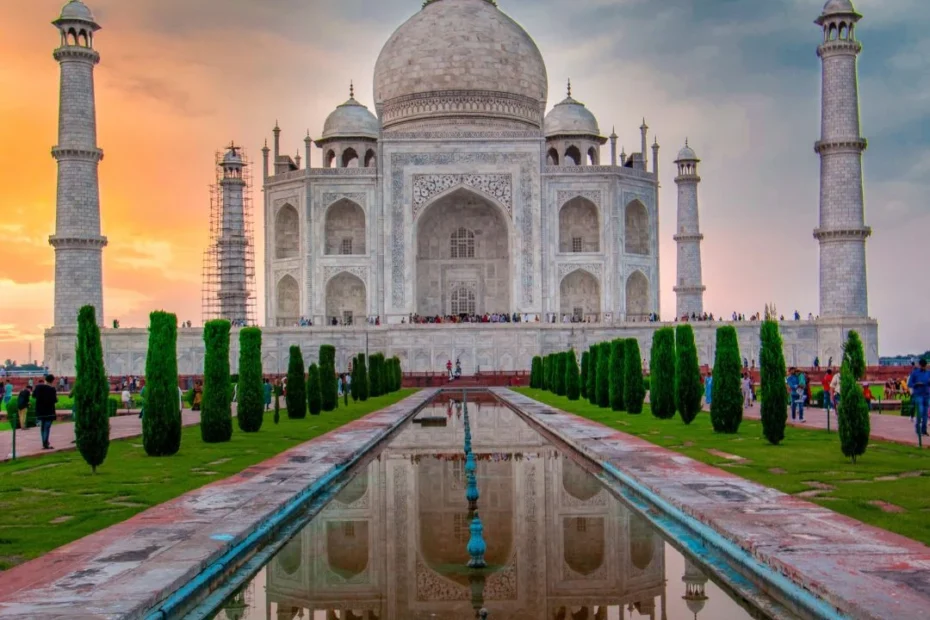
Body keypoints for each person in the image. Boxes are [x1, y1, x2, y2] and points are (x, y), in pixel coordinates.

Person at [32, 374, 58, 450]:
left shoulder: (38, 387)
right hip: (49, 410)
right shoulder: (52, 389)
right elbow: (54, 400)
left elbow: (33, 396)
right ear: (52, 380)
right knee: (47, 427)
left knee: (43, 427)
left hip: (40, 410)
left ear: (45, 379)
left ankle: (44, 441)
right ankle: (45, 442)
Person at [907, 358, 930, 437]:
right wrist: (916, 384)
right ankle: (917, 429)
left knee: (925, 414)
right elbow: (909, 384)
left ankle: (924, 430)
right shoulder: (914, 373)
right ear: (920, 365)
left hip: (926, 395)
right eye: (922, 366)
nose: (923, 367)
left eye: (924, 366)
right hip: (918, 395)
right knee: (920, 412)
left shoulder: (928, 373)